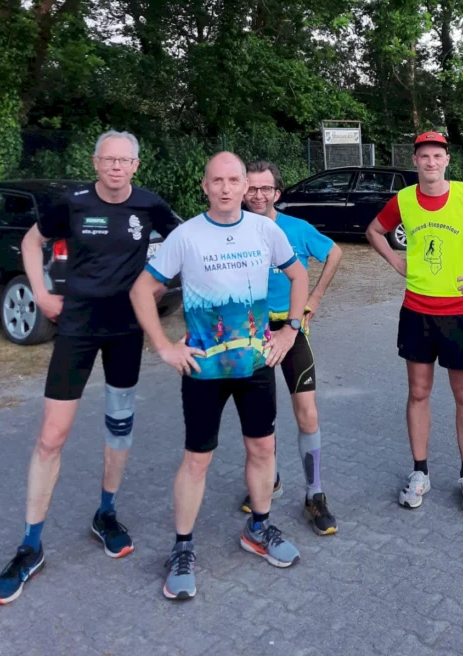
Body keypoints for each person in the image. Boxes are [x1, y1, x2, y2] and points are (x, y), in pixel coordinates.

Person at [0, 131, 178, 605]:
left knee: (119, 427)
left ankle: (105, 514)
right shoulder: (69, 204)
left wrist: (158, 290)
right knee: (52, 435)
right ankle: (30, 546)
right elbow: (32, 244)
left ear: (136, 164)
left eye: (124, 160)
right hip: (75, 328)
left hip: (126, 332)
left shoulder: (151, 205)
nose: (116, 167)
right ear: (96, 162)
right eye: (108, 159)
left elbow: (188, 246)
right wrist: (41, 291)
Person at [129, 152, 309, 601]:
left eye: (235, 180)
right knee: (198, 459)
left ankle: (259, 528)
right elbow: (142, 290)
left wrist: (290, 331)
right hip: (204, 370)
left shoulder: (266, 230)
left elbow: (299, 272)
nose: (227, 188)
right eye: (218, 181)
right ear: (205, 186)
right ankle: (183, 548)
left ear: (246, 186)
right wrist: (164, 347)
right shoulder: (186, 235)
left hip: (256, 365)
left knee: (263, 447)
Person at [365, 131, 463, 512]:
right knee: (418, 392)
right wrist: (394, 260)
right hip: (417, 310)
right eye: (424, 157)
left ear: (447, 160)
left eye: (437, 156)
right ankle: (420, 472)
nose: (431, 163)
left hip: (460, 313)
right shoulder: (403, 200)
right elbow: (374, 231)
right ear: (415, 161)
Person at [240, 160, 343, 535]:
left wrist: (314, 296)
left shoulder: (296, 228)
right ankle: (270, 480)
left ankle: (314, 495)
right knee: (257, 418)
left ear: (277, 194)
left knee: (307, 414)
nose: (257, 195)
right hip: (250, 333)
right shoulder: (232, 231)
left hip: (292, 328)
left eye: (265, 188)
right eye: (250, 188)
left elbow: (334, 253)